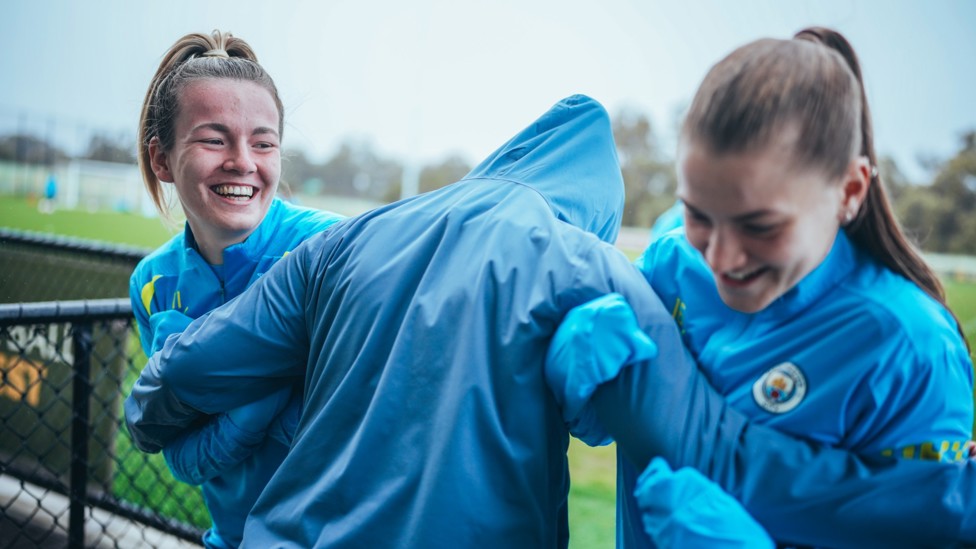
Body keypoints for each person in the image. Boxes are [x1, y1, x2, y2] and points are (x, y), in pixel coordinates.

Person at [125, 93, 976, 548]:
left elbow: (185, 373)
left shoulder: (356, 235)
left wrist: (163, 416)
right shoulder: (592, 264)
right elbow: (678, 427)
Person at [546, 27, 974, 547]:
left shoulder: (909, 348)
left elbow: (921, 530)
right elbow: (613, 431)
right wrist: (581, 392)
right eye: (698, 215)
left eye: (760, 226)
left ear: (850, 191)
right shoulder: (670, 264)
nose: (721, 257)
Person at [129, 29, 343, 549]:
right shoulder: (151, 283)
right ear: (161, 159)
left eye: (263, 142)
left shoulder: (331, 247)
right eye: (214, 138)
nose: (243, 161)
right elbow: (179, 452)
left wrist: (230, 401)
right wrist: (266, 396)